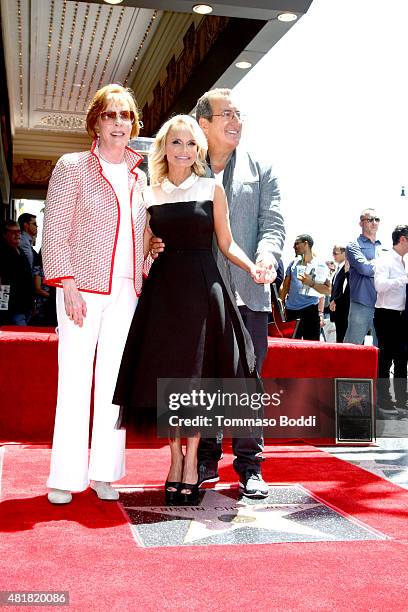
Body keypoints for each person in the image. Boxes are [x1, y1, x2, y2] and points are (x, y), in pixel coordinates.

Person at [113, 114, 268, 505]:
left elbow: (228, 244)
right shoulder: (150, 192)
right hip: (164, 293)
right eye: (176, 143)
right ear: (164, 147)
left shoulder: (211, 188)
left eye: (190, 144)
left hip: (203, 289)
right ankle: (174, 458)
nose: (183, 150)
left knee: (197, 378)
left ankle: (190, 461)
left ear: (199, 150)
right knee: (166, 376)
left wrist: (253, 267)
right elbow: (145, 242)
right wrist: (149, 247)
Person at [42, 84, 147, 505]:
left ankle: (105, 472)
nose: (119, 123)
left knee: (113, 384)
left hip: (127, 291)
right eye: (110, 115)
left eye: (125, 116)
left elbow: (142, 233)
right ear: (96, 123)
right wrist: (66, 283)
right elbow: (55, 231)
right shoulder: (72, 166)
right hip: (80, 289)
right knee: (74, 380)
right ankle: (65, 476)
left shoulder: (141, 176)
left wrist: (151, 253)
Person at [374, 225, 408, 415]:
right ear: (402, 239)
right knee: (386, 358)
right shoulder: (385, 259)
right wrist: (404, 279)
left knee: (403, 358)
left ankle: (402, 400)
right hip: (386, 314)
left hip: (403, 315)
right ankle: (384, 399)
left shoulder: (405, 261)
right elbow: (379, 286)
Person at [280, 234, 331, 340]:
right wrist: (280, 305)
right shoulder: (293, 264)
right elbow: (285, 286)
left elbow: (328, 290)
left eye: (297, 244)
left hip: (310, 312)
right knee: (291, 348)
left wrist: (311, 283)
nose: (294, 247)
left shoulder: (320, 265)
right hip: (291, 312)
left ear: (306, 244)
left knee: (312, 349)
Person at [344, 209, 382, 345]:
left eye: (377, 219)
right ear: (361, 223)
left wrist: (372, 264)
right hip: (361, 303)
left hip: (382, 305)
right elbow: (364, 269)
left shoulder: (383, 248)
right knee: (352, 347)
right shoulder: (353, 245)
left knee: (381, 351)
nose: (374, 222)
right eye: (370, 219)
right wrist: (382, 265)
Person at [0, 220, 34, 325]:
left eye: (19, 232)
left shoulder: (20, 250)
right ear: (5, 234)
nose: (17, 235)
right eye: (13, 232)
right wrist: (3, 308)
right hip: (12, 306)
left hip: (25, 304)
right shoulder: (3, 252)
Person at [329, 245, 350, 343]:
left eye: (335, 253)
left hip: (344, 311)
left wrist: (336, 301)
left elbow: (347, 289)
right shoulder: (338, 269)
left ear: (344, 253)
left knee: (342, 339)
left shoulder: (347, 268)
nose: (333, 255)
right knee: (339, 339)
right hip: (338, 312)